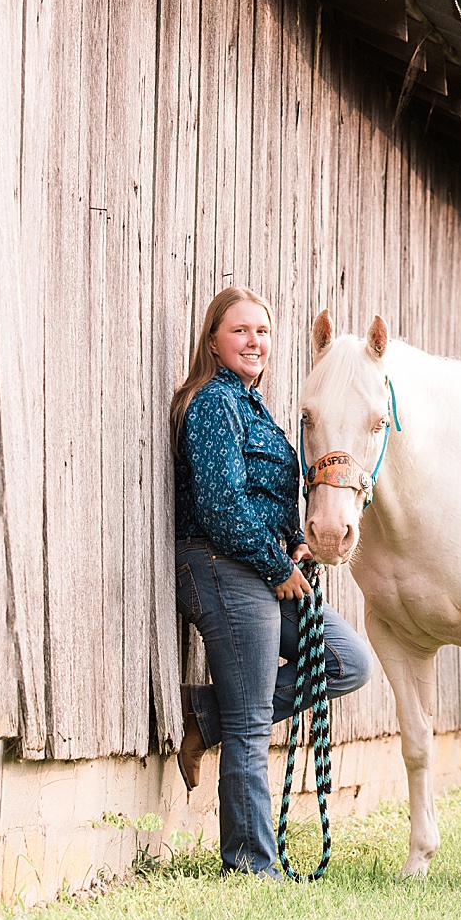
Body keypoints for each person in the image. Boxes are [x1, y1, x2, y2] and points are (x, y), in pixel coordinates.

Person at [169, 285, 373, 877]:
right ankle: (251, 864)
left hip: (263, 568)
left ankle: (205, 716)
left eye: (262, 331)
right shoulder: (211, 404)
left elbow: (265, 498)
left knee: (348, 662)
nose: (254, 341)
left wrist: (296, 542)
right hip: (222, 565)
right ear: (213, 340)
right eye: (240, 330)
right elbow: (221, 504)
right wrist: (277, 563)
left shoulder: (254, 406)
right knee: (252, 723)